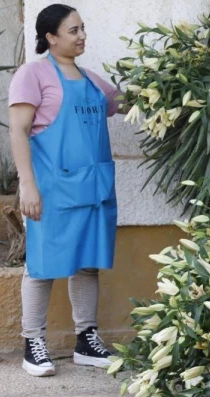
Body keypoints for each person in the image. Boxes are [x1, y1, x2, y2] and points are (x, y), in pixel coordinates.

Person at [8, 4, 123, 377]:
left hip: (94, 188)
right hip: (52, 189)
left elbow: (125, 103)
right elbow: (18, 130)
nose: (82, 36)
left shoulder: (92, 80)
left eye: (83, 28)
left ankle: (86, 339)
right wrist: (27, 184)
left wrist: (168, 87)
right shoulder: (33, 75)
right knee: (42, 267)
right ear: (51, 37)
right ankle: (32, 342)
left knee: (87, 264)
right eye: (73, 30)